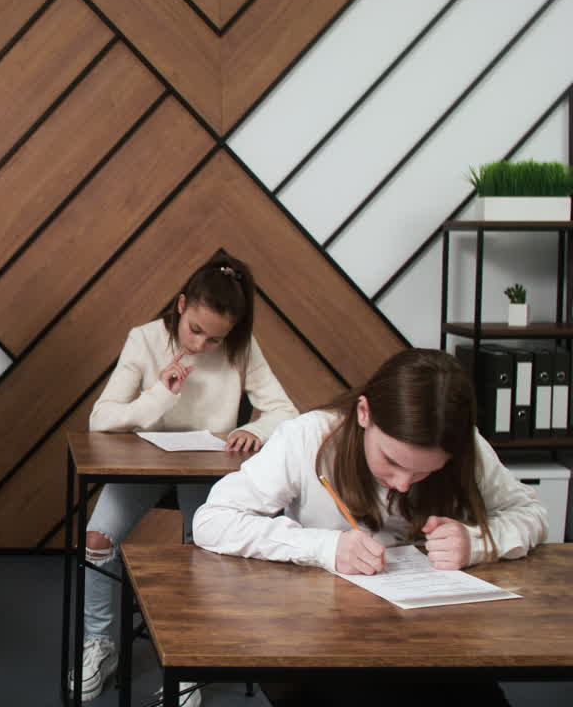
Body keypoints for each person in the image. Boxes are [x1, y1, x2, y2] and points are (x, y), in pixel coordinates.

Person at [194, 348, 547, 707]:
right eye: (391, 461)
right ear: (364, 413)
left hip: (438, 637)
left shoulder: (465, 444)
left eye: (426, 471)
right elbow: (212, 519)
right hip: (326, 637)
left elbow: (531, 513)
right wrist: (325, 548)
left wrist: (477, 543)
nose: (404, 484)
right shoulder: (308, 438)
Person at [73, 255, 298, 704]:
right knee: (96, 539)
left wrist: (251, 430)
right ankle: (99, 644)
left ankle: (191, 660)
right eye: (196, 329)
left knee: (207, 550)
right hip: (145, 463)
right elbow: (101, 419)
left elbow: (285, 413)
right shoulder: (145, 339)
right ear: (180, 305)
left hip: (209, 468)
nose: (202, 343)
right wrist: (161, 395)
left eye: (216, 337)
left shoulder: (242, 348)